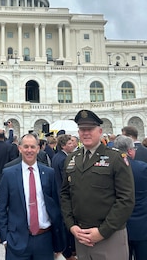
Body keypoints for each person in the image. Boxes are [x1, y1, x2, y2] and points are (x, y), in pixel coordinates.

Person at [61, 109, 135, 260]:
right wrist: (71, 226)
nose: (86, 133)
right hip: (81, 236)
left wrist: (102, 232)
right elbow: (65, 195)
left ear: (100, 131)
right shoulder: (72, 159)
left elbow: (126, 199)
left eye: (90, 129)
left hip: (109, 236)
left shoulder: (116, 158)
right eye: (82, 129)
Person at [0, 133, 65, 260]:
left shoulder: (49, 173)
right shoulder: (8, 174)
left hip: (44, 239)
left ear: (38, 149)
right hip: (17, 239)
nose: (29, 150)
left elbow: (56, 206)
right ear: (20, 148)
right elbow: (2, 207)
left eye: (33, 147)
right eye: (26, 147)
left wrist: (58, 240)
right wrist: (5, 238)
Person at [113, 135, 147, 260]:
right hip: (142, 224)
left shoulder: (110, 168)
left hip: (118, 224)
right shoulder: (142, 168)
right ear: (130, 151)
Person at [52, 135, 76, 260]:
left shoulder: (58, 157)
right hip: (63, 195)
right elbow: (66, 180)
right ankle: (68, 252)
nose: (73, 144)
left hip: (58, 194)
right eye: (70, 143)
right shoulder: (64, 159)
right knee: (66, 225)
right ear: (63, 145)